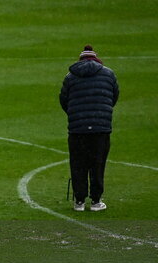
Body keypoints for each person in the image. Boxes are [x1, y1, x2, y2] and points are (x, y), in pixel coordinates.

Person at [60, 45, 119, 212]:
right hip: (101, 128)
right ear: (96, 59)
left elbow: (64, 100)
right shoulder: (108, 74)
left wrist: (76, 115)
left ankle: (79, 201)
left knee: (78, 164)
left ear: (80, 60)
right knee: (97, 164)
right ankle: (95, 201)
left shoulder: (70, 76)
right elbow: (113, 97)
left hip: (77, 129)